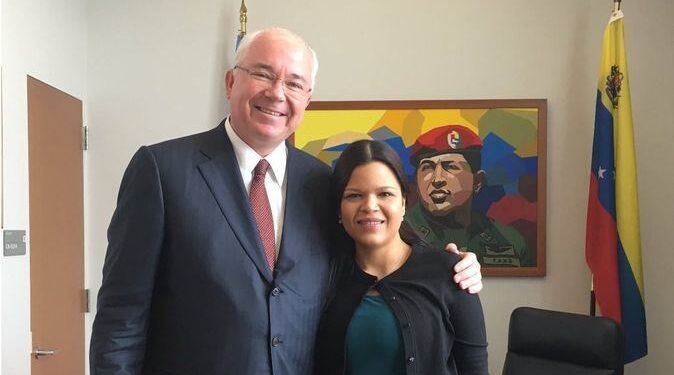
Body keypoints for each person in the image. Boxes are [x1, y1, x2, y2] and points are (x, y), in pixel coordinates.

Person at [90, 28, 483, 375]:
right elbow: (122, 315)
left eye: (294, 83)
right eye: (262, 73)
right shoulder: (162, 171)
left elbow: (369, 248)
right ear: (230, 82)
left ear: (307, 99)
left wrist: (454, 265)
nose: (277, 92)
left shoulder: (321, 182)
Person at [314, 140, 488, 375]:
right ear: (338, 208)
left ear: (404, 202)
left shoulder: (452, 274)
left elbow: (475, 368)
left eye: (385, 194)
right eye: (354, 195)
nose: (370, 206)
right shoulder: (323, 278)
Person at [407, 124, 533, 267]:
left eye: (451, 167)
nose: (437, 180)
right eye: (427, 168)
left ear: (477, 181)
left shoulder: (509, 240)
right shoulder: (396, 235)